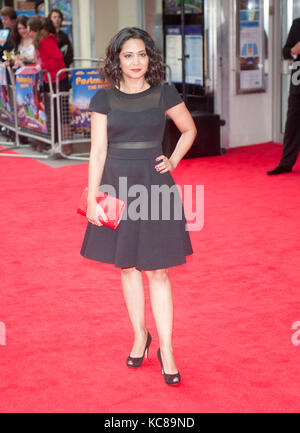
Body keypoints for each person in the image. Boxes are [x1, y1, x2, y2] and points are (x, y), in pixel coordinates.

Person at [80, 27, 197, 385]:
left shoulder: (164, 93)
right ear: (117, 59)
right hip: (116, 184)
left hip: (154, 186)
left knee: (158, 270)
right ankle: (139, 336)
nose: (136, 61)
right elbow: (97, 151)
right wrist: (91, 196)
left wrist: (174, 159)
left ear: (151, 58)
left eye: (142, 54)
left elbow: (189, 129)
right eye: (128, 55)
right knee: (128, 268)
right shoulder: (103, 99)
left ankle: (168, 349)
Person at [27, 16, 72, 155]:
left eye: (28, 29)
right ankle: (57, 144)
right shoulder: (40, 41)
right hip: (50, 79)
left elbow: (58, 58)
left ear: (33, 29)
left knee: (60, 113)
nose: (28, 32)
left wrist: (42, 66)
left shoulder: (45, 40)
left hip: (57, 79)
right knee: (54, 113)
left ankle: (64, 146)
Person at [267, 17, 300, 175]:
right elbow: (285, 51)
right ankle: (286, 163)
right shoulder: (297, 23)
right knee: (292, 122)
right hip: (298, 79)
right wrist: (294, 50)